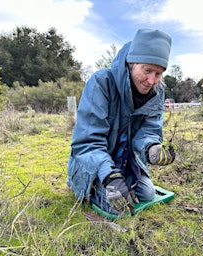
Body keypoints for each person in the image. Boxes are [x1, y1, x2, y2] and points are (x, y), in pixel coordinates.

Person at [67, 28, 176, 216]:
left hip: (126, 162)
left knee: (148, 194)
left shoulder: (157, 93)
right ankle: (81, 185)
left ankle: (118, 182)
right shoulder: (101, 83)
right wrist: (110, 176)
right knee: (116, 208)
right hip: (94, 162)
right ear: (131, 63)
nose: (151, 80)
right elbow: (87, 142)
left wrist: (151, 149)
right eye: (147, 70)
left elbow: (150, 130)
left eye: (158, 74)